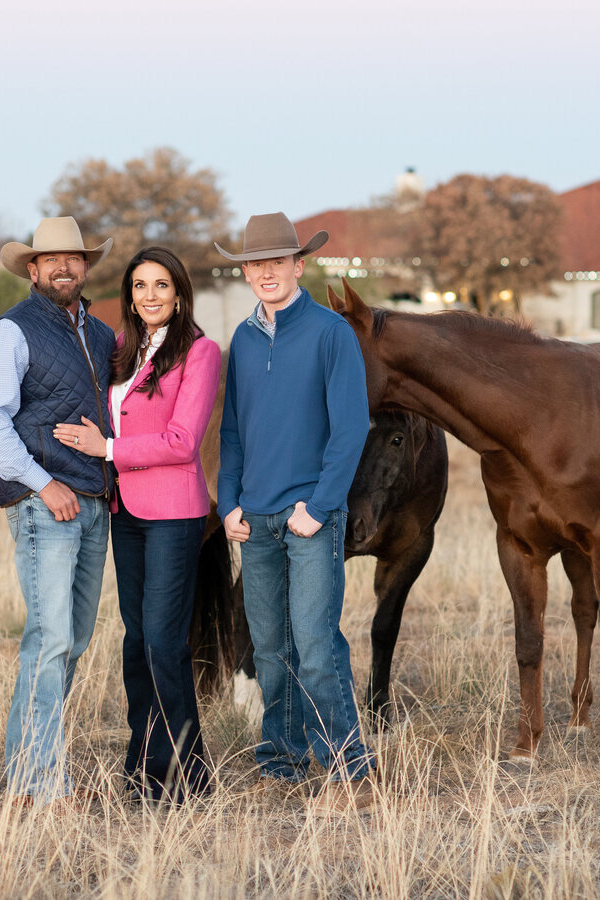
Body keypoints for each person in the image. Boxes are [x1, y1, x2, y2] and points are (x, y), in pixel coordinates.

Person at [215, 212, 376, 814]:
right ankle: (280, 761)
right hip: (252, 519)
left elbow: (351, 426)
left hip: (310, 514)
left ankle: (346, 767)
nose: (264, 273)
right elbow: (232, 432)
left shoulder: (331, 333)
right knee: (268, 648)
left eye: (275, 263)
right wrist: (229, 502)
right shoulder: (245, 338)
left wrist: (322, 504)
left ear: (298, 266)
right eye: (254, 265)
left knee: (314, 641)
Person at [53, 247, 220, 804]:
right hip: (126, 511)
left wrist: (109, 448)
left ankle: (189, 775)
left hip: (174, 511)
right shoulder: (121, 350)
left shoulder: (198, 352)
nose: (150, 295)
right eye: (140, 285)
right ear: (129, 294)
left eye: (162, 285)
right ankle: (143, 763)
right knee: (136, 641)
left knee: (165, 642)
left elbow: (182, 441)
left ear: (179, 293)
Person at [0, 216, 116, 807]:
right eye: (50, 259)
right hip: (43, 504)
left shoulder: (102, 335)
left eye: (73, 258)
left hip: (95, 503)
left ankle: (40, 767)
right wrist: (42, 483)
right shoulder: (9, 331)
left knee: (75, 637)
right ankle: (34, 785)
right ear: (33, 269)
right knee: (50, 636)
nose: (63, 267)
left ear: (85, 267)